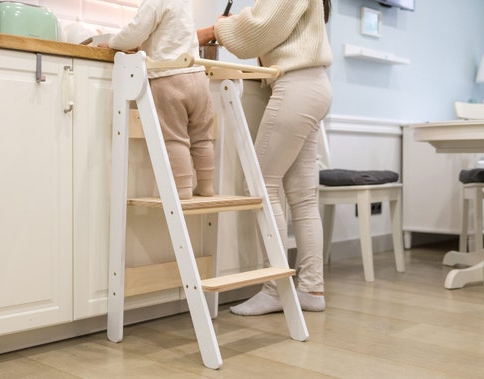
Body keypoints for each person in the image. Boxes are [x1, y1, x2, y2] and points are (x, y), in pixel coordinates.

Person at [200, 0, 333, 313]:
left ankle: (276, 289)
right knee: (302, 197)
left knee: (261, 185)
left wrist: (211, 30)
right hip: (313, 84)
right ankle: (311, 290)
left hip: (297, 86)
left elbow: (260, 28)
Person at [102, 0, 215, 200]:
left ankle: (181, 189)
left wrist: (111, 43)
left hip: (170, 77)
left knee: (174, 137)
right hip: (198, 75)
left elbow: (136, 31)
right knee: (202, 137)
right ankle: (206, 185)